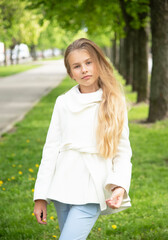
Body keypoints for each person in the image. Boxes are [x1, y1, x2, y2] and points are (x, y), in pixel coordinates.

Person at [33, 38, 132, 240]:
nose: (84, 70)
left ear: (98, 63)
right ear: (71, 73)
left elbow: (122, 151)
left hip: (92, 188)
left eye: (88, 62)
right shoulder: (63, 102)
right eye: (77, 66)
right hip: (62, 186)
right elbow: (50, 149)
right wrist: (40, 196)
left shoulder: (114, 101)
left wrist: (119, 185)